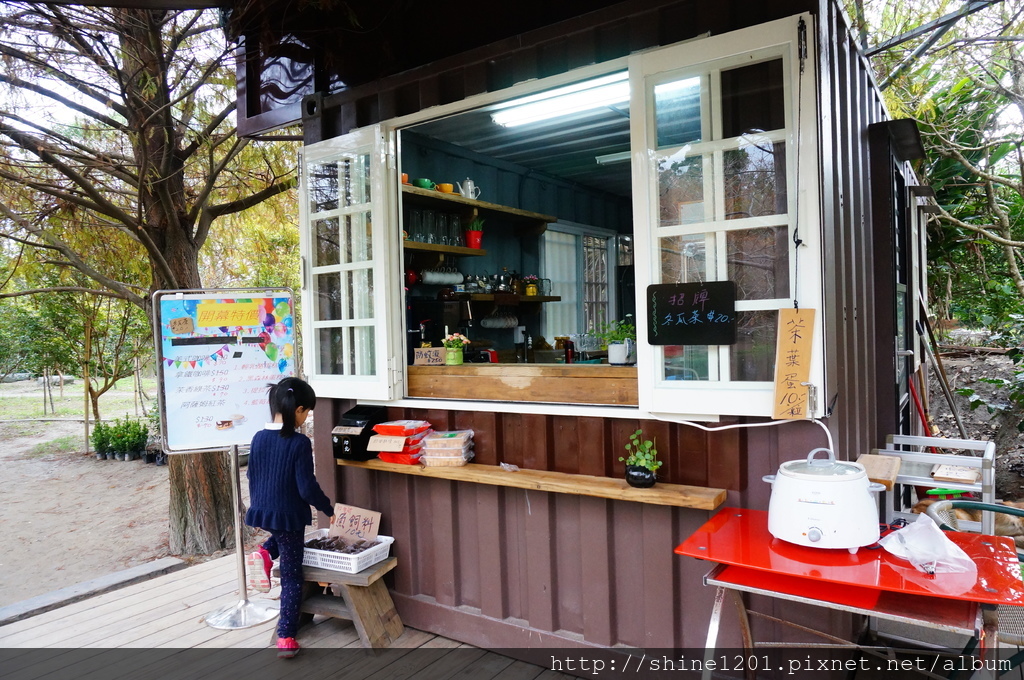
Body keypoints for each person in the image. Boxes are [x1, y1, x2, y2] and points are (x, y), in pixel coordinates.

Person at [244, 377, 334, 659]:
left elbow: (251, 475)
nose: (307, 418)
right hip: (289, 514)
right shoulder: (298, 443)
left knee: (282, 537)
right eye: (307, 412)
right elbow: (306, 487)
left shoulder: (258, 437)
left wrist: (261, 503)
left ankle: (263, 552)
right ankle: (285, 636)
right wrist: (328, 508)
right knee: (294, 577)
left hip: (262, 510)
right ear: (298, 410)